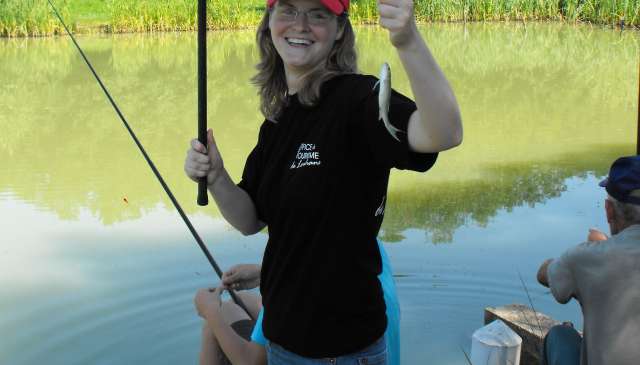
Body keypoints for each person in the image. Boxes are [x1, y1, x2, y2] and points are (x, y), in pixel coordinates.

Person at [184, 0, 462, 360]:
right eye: (287, 10)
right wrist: (217, 177)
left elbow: (445, 132)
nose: (300, 25)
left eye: (317, 14)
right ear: (269, 23)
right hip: (281, 342)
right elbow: (250, 219)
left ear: (339, 32)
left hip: (341, 353)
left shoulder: (360, 100)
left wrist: (407, 40)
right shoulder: (277, 123)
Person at [194, 241, 401, 365]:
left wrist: (211, 312)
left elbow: (250, 361)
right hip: (373, 353)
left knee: (219, 316)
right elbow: (326, 273)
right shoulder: (372, 247)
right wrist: (266, 273)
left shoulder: (295, 290)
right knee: (241, 302)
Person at [536, 155, 640, 365]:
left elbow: (543, 274)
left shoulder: (585, 258)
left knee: (559, 336)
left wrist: (597, 249)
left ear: (609, 210)